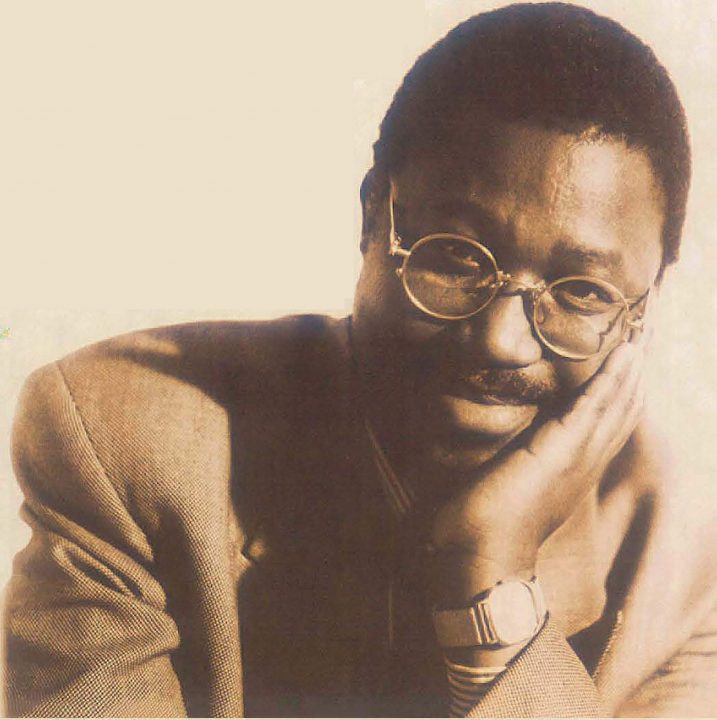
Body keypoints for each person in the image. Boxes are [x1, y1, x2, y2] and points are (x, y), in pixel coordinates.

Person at [5, 2, 717, 717]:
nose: (501, 341)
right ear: (373, 215)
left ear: (645, 306)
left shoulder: (683, 564)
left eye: (583, 292)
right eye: (455, 258)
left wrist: (491, 583)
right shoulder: (124, 444)